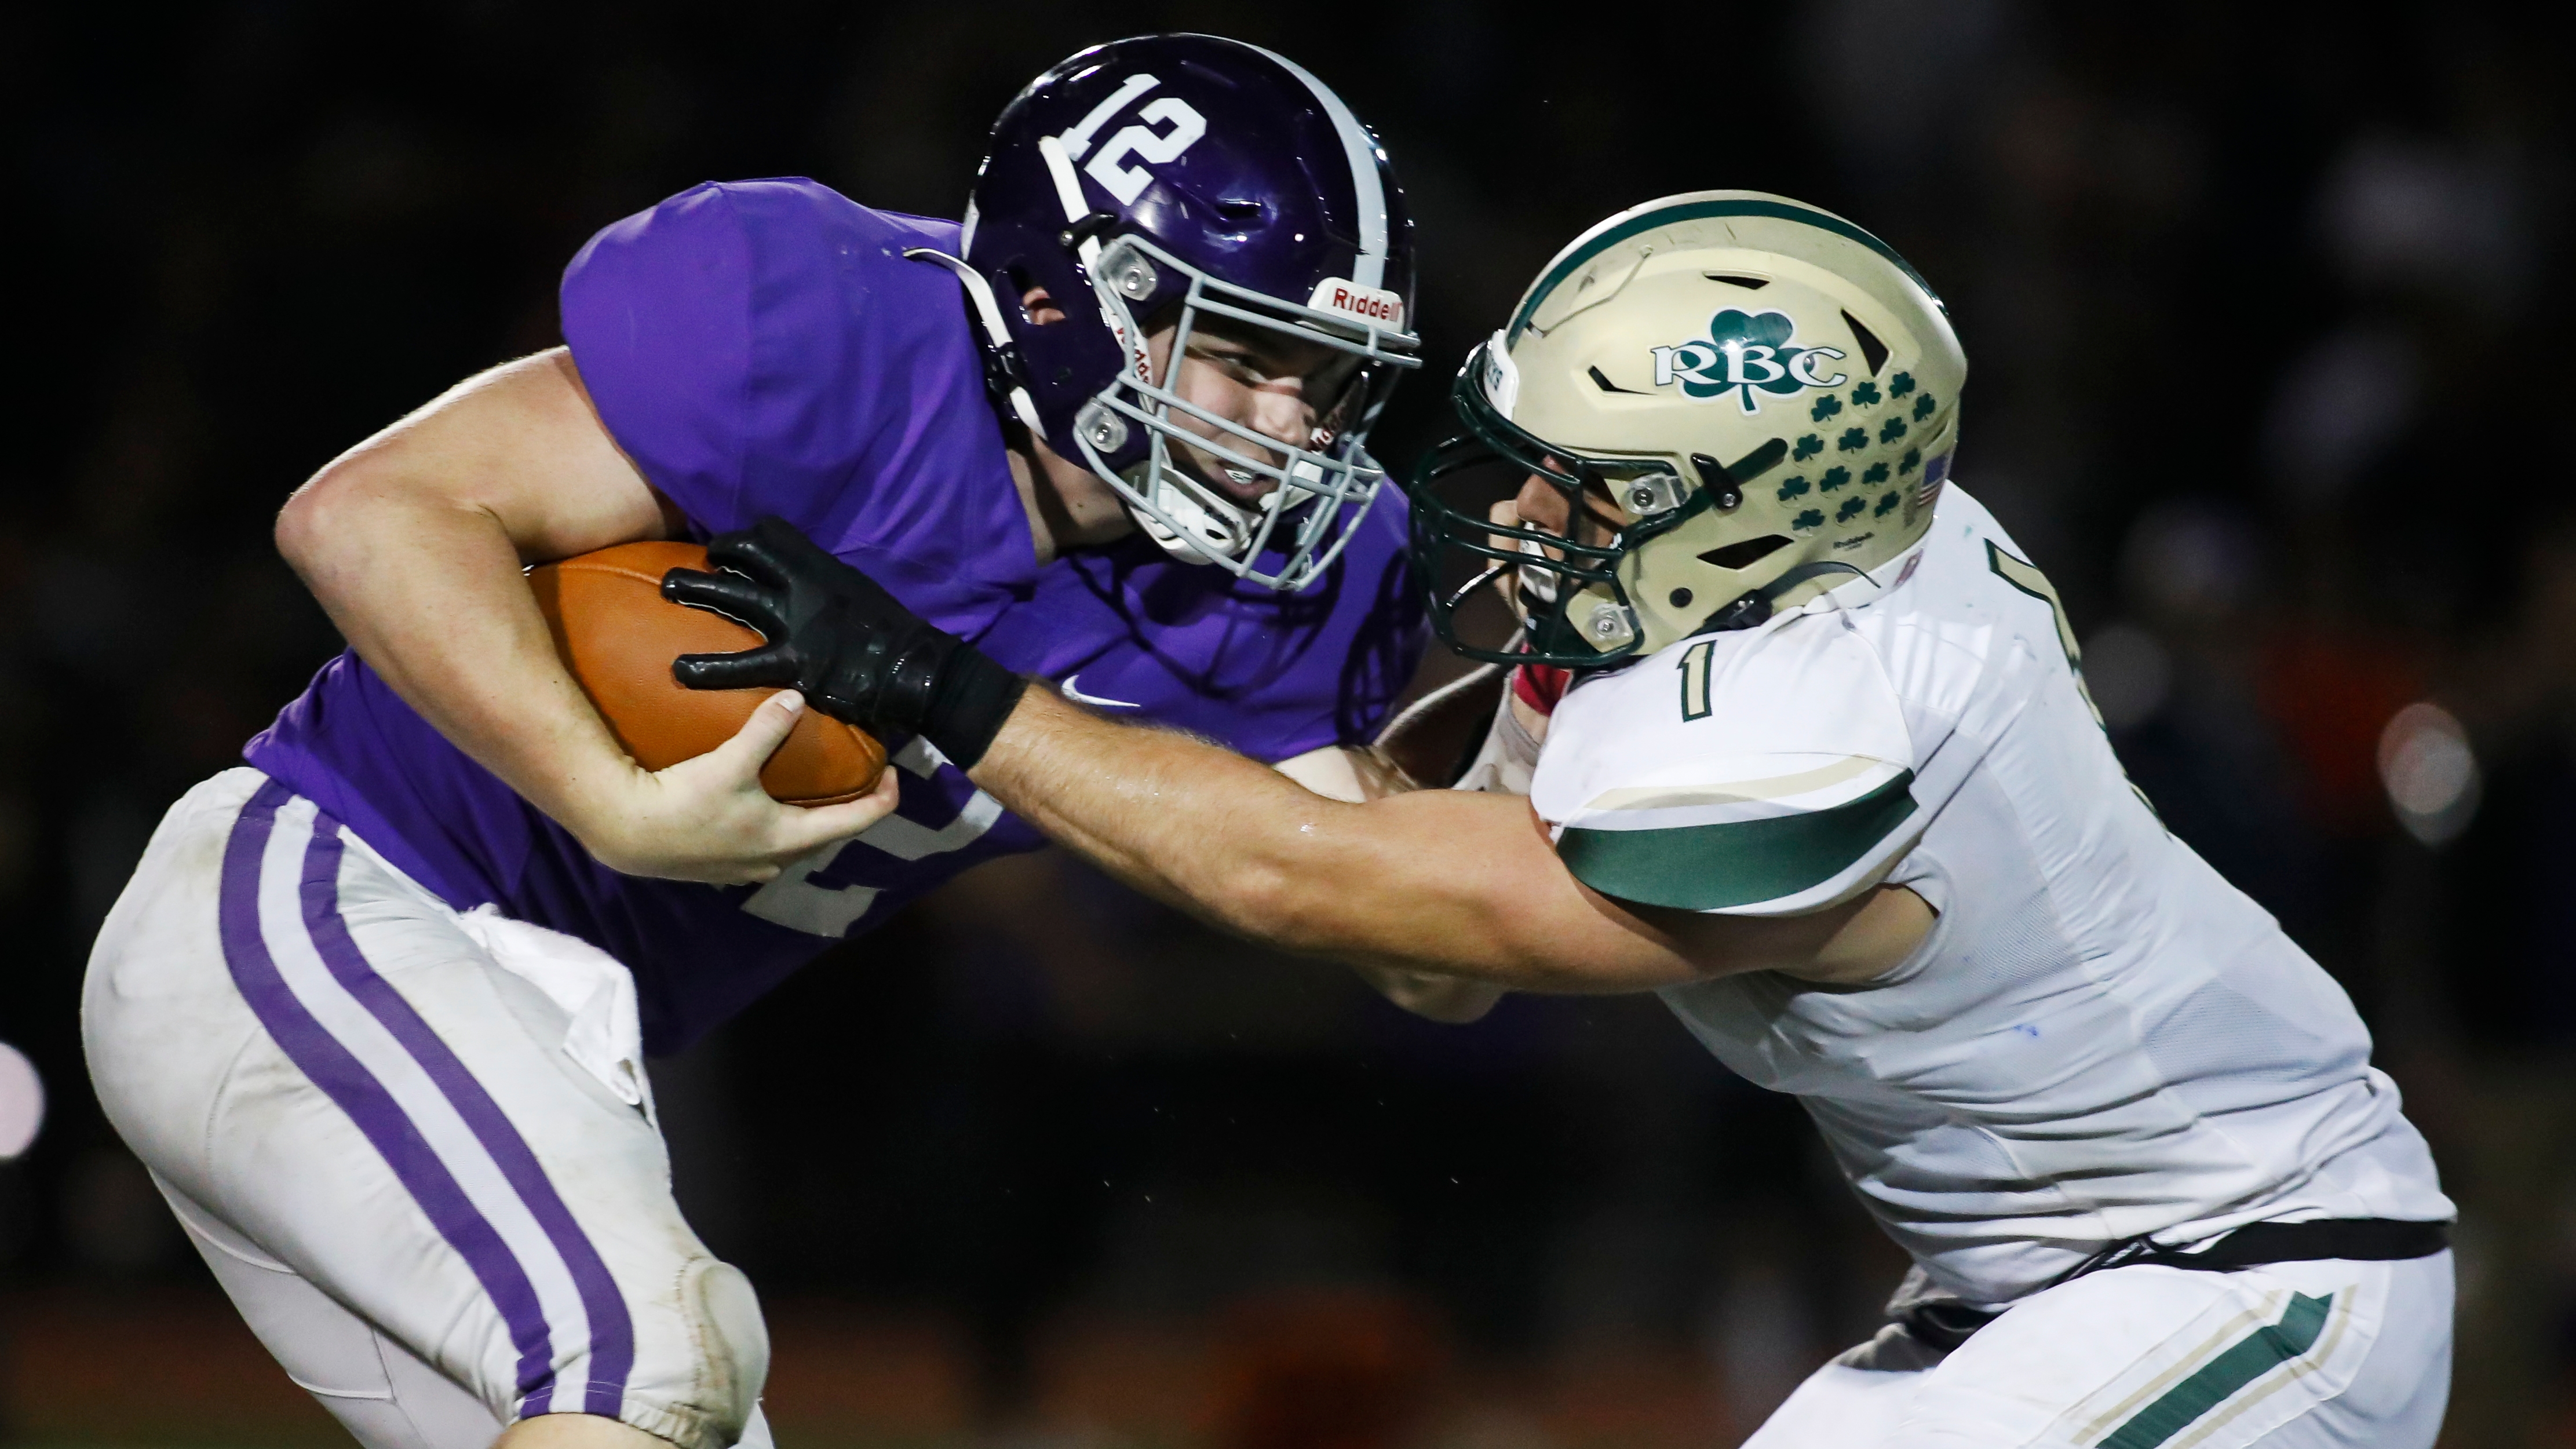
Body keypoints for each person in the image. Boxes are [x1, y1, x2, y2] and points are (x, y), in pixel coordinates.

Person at [685, 192, 2458, 1447]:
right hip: (2051, 1273)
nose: (1526, 510)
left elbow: (1337, 898)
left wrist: (952, 689)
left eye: (1586, 483)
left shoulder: (1823, 722)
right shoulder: (1785, 565)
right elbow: (1412, 939)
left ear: (1747, 511)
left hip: (2246, 1265)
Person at [83, 35, 1432, 1449]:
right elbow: (367, 511)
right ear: (1061, 296)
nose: (1294, 428)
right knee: (653, 1359)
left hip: (546, 1025)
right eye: (1244, 354)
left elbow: (1406, 940)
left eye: (1328, 379)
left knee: (665, 1399)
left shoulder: (1287, 590)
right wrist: (611, 801)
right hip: (333, 898)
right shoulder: (837, 337)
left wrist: (1540, 736)